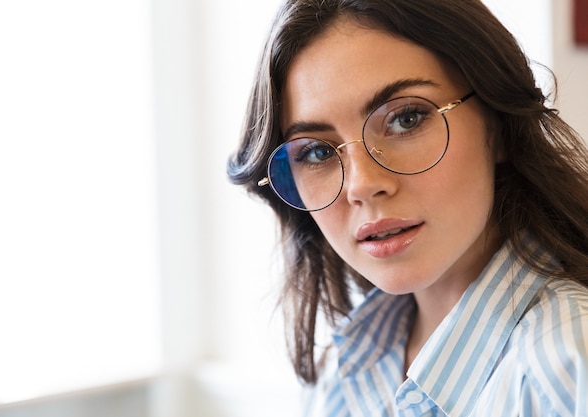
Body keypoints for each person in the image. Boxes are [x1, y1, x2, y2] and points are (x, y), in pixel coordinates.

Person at [227, 0, 588, 415]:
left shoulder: (567, 366)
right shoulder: (341, 372)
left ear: (499, 124)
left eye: (407, 119)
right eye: (315, 152)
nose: (362, 185)